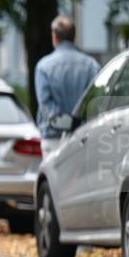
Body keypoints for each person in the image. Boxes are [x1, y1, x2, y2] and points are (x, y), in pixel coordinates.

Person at [34, 15, 101, 155]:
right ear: (74, 37)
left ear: (55, 36)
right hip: (83, 137)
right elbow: (96, 101)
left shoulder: (43, 67)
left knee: (52, 176)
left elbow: (46, 104)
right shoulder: (91, 65)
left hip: (53, 138)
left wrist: (64, 122)